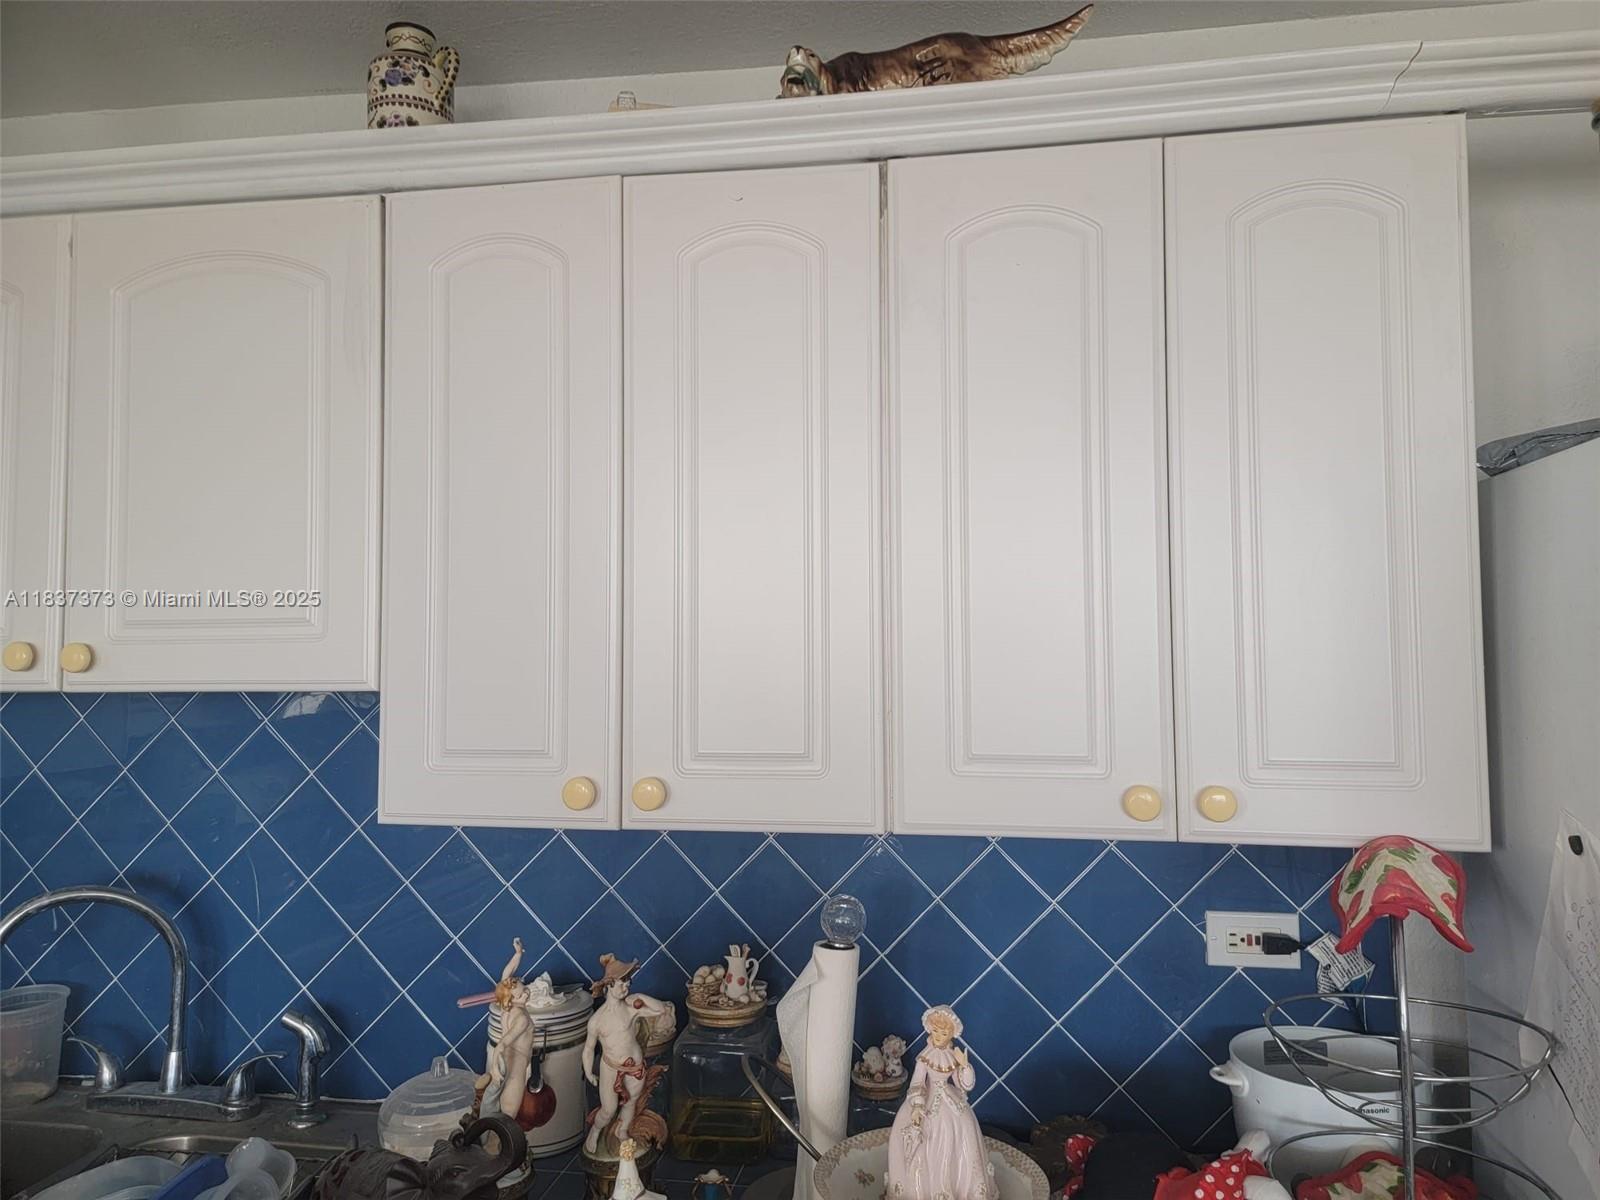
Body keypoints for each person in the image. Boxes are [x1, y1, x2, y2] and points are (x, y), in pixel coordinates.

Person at [888, 1005, 997, 1200]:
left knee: (963, 1128)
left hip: (950, 1100)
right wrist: (918, 1105)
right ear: (930, 1029)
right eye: (936, 1031)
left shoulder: (952, 1056)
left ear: (952, 1034)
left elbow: (963, 1085)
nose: (939, 1036)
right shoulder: (924, 1057)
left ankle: (962, 1187)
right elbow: (917, 1083)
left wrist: (964, 1066)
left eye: (944, 1033)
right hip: (927, 1103)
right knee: (927, 1139)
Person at [580, 956, 669, 1156]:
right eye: (623, 982)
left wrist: (640, 996)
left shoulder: (630, 1008)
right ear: (609, 985)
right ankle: (595, 1131)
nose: (627, 986)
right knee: (608, 1109)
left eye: (629, 981)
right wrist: (589, 1071)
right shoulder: (597, 1020)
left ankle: (622, 1131)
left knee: (631, 1103)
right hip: (611, 1068)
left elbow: (660, 1009)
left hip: (635, 1067)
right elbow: (588, 1049)